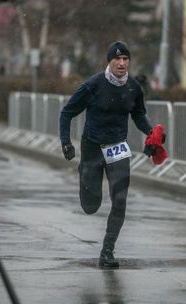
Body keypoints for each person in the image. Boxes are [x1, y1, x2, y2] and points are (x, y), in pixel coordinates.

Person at [59, 41, 162, 269]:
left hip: (118, 149)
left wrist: (151, 132)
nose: (122, 63)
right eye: (118, 59)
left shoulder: (134, 88)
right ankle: (85, 178)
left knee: (121, 200)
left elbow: (139, 115)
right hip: (92, 147)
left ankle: (107, 251)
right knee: (91, 206)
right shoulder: (93, 85)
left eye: (126, 59)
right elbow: (67, 112)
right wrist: (66, 142)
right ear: (109, 61)